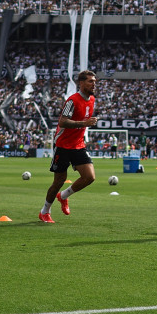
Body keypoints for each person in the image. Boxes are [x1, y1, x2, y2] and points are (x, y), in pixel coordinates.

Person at [40, 70, 99, 223]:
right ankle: (45, 211)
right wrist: (83, 123)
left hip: (78, 144)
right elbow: (62, 121)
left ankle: (63, 196)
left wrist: (84, 124)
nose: (94, 84)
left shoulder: (92, 99)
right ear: (81, 83)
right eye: (90, 81)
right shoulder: (72, 100)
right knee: (59, 180)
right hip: (63, 145)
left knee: (89, 177)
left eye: (94, 81)